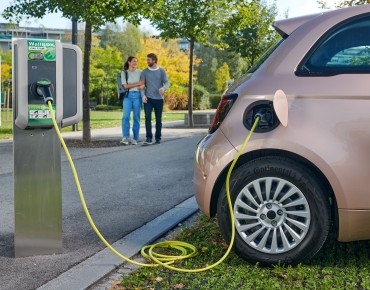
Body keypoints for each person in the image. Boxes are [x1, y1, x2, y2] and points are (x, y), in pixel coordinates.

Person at [141, 53, 169, 145]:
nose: (147, 61)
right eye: (147, 59)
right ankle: (148, 138)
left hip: (159, 99)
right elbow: (142, 85)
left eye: (149, 60)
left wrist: (163, 88)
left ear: (154, 60)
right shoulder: (144, 72)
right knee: (147, 117)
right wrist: (143, 95)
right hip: (148, 98)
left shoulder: (161, 71)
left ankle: (158, 138)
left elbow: (167, 83)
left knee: (158, 119)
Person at [120, 56, 144, 145]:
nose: (135, 63)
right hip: (127, 96)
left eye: (136, 62)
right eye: (134, 61)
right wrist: (138, 83)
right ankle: (125, 137)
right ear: (129, 62)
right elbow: (125, 86)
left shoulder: (140, 72)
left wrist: (141, 85)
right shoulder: (124, 73)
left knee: (136, 117)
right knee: (126, 116)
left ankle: (135, 138)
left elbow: (143, 84)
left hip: (137, 96)